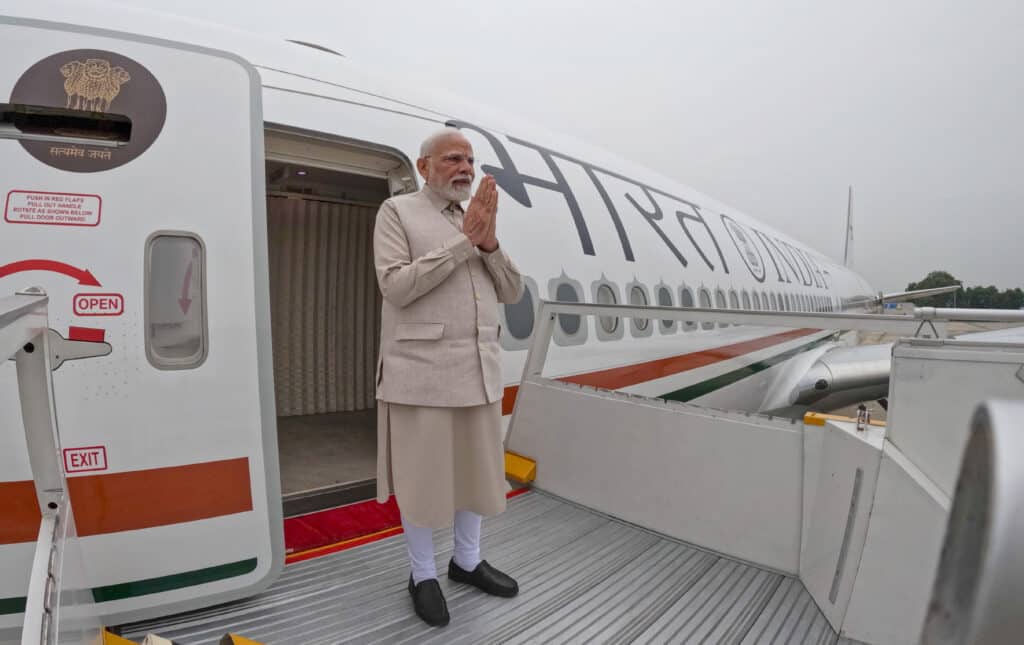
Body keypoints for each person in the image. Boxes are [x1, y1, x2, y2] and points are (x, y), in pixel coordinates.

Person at [373, 127, 525, 627]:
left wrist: (489, 242)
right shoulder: (397, 212)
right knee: (423, 482)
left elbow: (512, 292)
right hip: (422, 377)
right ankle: (422, 575)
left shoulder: (475, 219)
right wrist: (464, 244)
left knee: (474, 474)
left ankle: (466, 561)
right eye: (453, 159)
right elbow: (396, 286)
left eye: (470, 161)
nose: (465, 169)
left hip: (478, 374)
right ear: (424, 166)